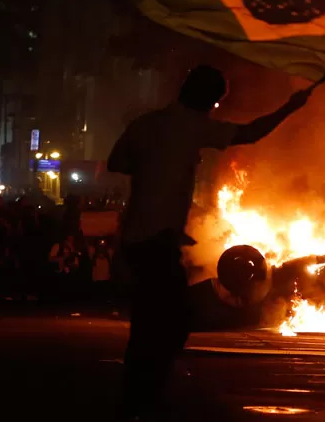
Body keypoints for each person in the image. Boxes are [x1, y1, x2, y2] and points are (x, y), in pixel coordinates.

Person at [107, 65, 310, 419]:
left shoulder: (147, 124)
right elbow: (250, 133)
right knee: (175, 319)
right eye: (217, 101)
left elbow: (117, 161)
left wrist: (152, 167)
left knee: (149, 319)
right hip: (157, 240)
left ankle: (138, 395)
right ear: (206, 99)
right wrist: (290, 107)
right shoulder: (192, 124)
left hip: (138, 237)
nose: (216, 107)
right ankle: (143, 397)